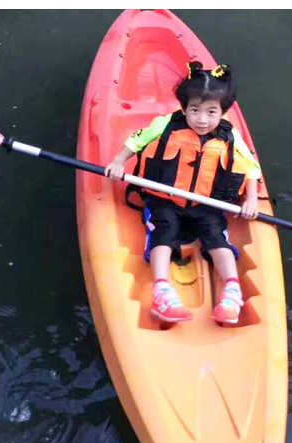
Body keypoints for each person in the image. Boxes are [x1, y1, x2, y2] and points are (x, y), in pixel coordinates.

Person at [104, 61, 261, 325]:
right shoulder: (166, 125)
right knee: (163, 233)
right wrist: (119, 162)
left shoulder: (230, 136)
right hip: (165, 200)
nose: (202, 119)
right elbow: (137, 140)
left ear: (223, 112)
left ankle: (232, 293)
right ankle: (162, 291)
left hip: (206, 204)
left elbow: (252, 168)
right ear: (184, 108)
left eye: (211, 112)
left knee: (217, 240)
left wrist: (252, 199)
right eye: (194, 110)